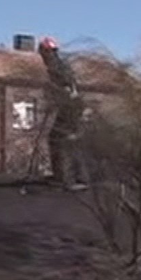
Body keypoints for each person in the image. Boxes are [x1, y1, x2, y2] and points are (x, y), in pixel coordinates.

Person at [37, 37, 85, 187]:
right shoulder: (59, 64)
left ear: (46, 51)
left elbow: (66, 87)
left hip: (70, 106)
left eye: (42, 51)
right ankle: (71, 176)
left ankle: (67, 178)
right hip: (71, 105)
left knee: (61, 139)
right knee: (62, 138)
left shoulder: (55, 66)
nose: (41, 55)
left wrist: (59, 99)